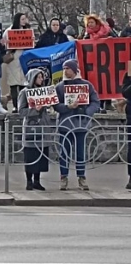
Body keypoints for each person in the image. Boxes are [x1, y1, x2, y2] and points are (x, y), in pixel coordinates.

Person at [54, 59, 100, 191]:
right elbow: (56, 105)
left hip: (81, 124)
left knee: (81, 153)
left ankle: (81, 177)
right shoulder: (60, 86)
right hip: (65, 125)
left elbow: (95, 102)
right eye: (64, 68)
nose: (65, 71)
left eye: (67, 68)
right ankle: (63, 177)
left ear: (74, 70)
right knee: (64, 153)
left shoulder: (87, 85)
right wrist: (68, 107)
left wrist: (86, 112)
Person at [18, 69, 53, 191]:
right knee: (30, 156)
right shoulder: (24, 92)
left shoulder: (43, 91)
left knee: (41, 155)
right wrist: (35, 110)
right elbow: (21, 111)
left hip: (43, 127)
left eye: (42, 77)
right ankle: (29, 181)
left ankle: (37, 181)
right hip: (31, 128)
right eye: (39, 77)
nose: (41, 79)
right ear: (32, 78)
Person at [2, 13, 32, 113]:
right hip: (13, 60)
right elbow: (5, 45)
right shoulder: (9, 31)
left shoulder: (28, 31)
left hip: (24, 59)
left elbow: (31, 44)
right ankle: (15, 106)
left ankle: (23, 105)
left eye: (25, 19)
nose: (24, 21)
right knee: (14, 84)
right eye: (22, 19)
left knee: (24, 83)